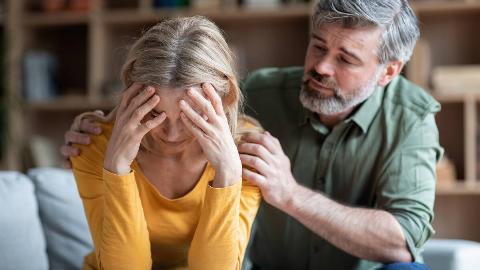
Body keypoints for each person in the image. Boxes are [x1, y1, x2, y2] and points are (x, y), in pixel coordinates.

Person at [62, 1, 443, 269]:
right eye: (318, 46)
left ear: (389, 72)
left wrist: (287, 193)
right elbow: (177, 83)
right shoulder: (261, 92)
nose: (321, 66)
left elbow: (405, 242)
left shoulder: (411, 119)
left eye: (346, 59)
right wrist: (106, 134)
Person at [66, 16, 262, 270]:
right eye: (154, 114)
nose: (171, 134)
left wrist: (228, 172)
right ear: (131, 96)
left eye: (189, 117)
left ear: (225, 100)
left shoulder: (246, 150)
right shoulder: (94, 142)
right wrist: (116, 167)